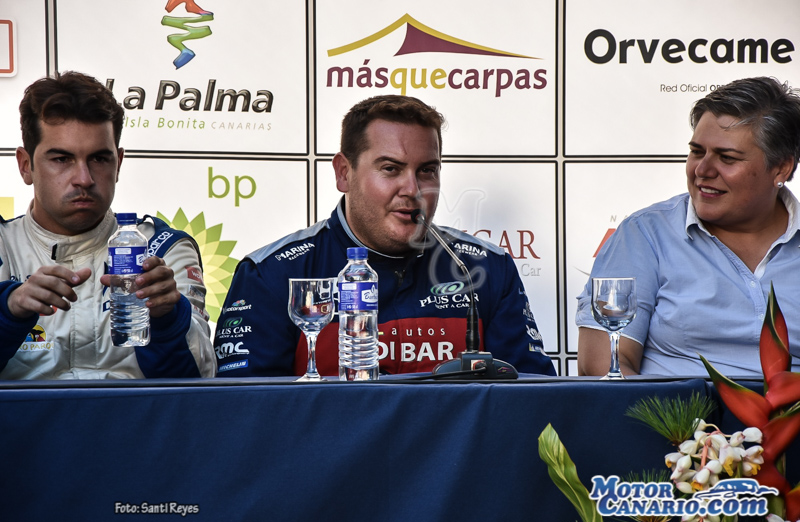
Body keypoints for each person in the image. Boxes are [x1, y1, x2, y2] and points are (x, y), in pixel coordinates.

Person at [214, 94, 555, 377]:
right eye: (391, 169)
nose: (413, 189)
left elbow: (532, 400)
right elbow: (246, 413)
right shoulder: (272, 274)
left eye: (427, 171)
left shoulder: (485, 268)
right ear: (344, 173)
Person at [576, 77, 800, 377]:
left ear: (781, 168)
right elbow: (603, 366)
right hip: (672, 409)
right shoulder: (644, 235)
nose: (702, 170)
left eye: (727, 158)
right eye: (696, 152)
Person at [0, 71, 216, 379]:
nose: (84, 179)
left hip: (134, 414)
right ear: (26, 166)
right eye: (62, 159)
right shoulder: (3, 247)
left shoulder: (163, 249)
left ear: (119, 164)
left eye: (99, 159)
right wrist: (8, 311)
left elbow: (202, 380)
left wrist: (168, 319)